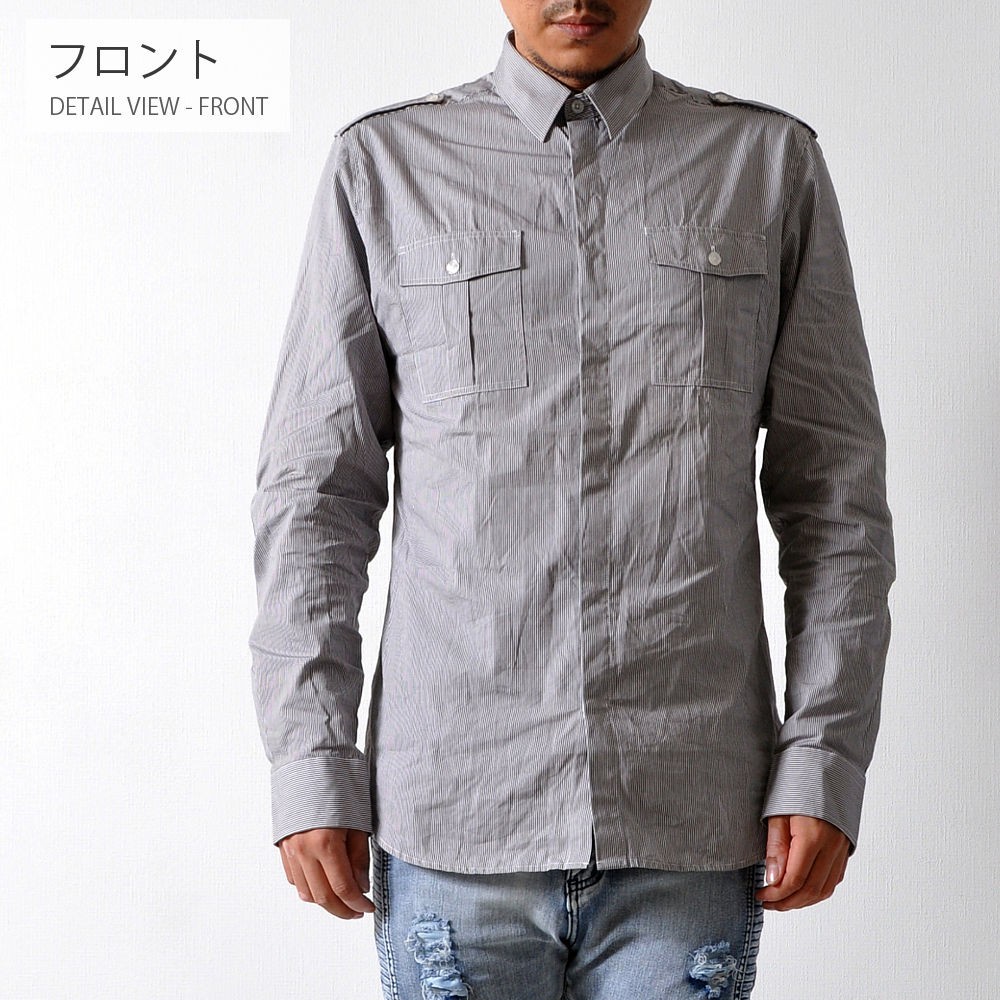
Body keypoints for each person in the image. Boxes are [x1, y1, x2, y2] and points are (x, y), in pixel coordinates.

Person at [248, 1, 896, 996]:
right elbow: (315, 495)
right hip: (454, 813)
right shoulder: (384, 166)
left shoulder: (765, 164)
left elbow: (835, 495)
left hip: (689, 813)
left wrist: (824, 757)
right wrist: (310, 762)